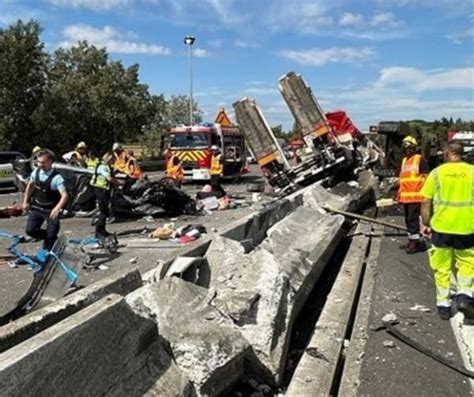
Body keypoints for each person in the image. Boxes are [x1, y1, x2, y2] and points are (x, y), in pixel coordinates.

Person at [421, 142, 474, 321]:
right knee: (467, 263)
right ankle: (465, 296)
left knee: (441, 268)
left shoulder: (436, 173)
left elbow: (426, 202)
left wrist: (426, 223)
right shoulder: (472, 172)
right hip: (467, 227)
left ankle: (443, 306)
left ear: (449, 153)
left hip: (441, 228)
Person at [23, 150, 69, 251]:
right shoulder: (36, 172)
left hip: (51, 209)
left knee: (52, 233)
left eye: (42, 162)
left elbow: (65, 195)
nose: (39, 165)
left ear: (50, 162)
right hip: (37, 207)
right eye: (38, 162)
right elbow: (30, 186)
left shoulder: (57, 178)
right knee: (30, 230)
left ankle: (51, 246)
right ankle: (49, 238)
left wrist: (57, 208)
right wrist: (25, 201)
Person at [397, 135, 429, 254]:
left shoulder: (419, 159)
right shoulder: (405, 160)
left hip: (416, 197)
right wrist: (399, 196)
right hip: (406, 197)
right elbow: (403, 180)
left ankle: (415, 244)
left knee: (413, 220)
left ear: (414, 148)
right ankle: (411, 240)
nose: (408, 150)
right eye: (406, 148)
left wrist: (427, 196)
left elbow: (426, 177)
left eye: (410, 148)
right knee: (408, 220)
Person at [90, 153, 121, 240]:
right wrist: (118, 183)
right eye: (112, 160)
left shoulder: (104, 166)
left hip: (104, 190)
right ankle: (98, 232)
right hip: (100, 190)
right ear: (109, 159)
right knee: (103, 211)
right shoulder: (103, 167)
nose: (113, 162)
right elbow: (109, 178)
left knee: (105, 211)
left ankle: (103, 230)